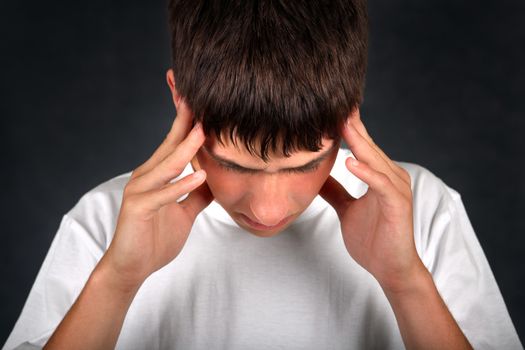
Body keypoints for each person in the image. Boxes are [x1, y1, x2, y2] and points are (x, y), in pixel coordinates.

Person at [4, 0, 522, 349]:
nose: (269, 210)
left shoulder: (420, 208)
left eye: (305, 165)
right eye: (233, 164)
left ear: (349, 113)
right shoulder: (103, 220)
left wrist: (405, 280)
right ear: (180, 100)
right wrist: (117, 279)